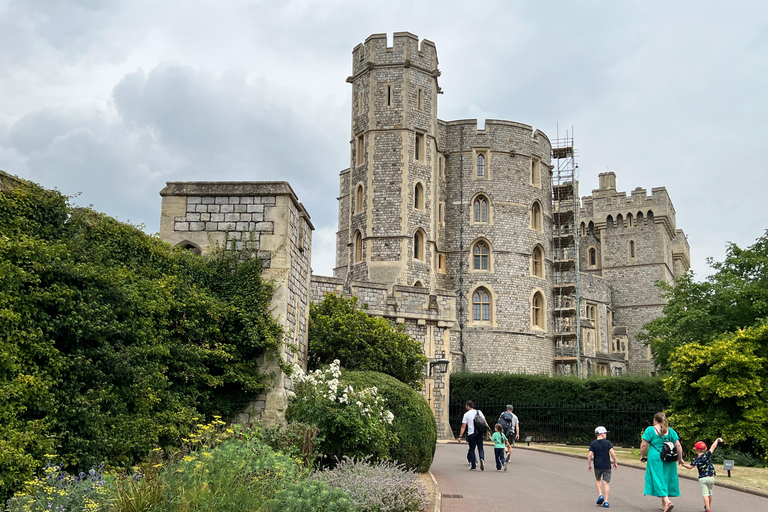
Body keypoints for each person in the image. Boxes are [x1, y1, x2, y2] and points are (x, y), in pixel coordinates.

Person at [640, 412, 684, 512]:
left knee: (657, 478)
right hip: (669, 458)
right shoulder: (670, 431)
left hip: (656, 457)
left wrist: (642, 456)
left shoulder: (650, 430)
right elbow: (678, 445)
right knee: (666, 478)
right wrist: (680, 458)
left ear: (655, 420)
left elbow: (643, 445)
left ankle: (667, 501)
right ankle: (664, 506)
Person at [681, 437, 723, 512]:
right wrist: (717, 440)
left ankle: (707, 509)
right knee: (710, 493)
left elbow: (690, 467)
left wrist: (683, 465)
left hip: (702, 478)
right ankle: (708, 506)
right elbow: (713, 447)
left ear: (696, 449)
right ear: (705, 449)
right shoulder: (707, 454)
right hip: (711, 477)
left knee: (705, 494)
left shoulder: (695, 458)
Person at [588, 426, 618, 508]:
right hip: (607, 465)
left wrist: (589, 464)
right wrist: (615, 462)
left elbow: (590, 454)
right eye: (605, 433)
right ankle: (606, 501)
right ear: (602, 434)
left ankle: (600, 495)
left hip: (597, 465)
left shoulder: (593, 443)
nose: (606, 435)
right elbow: (612, 453)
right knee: (606, 483)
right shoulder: (607, 443)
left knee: (598, 480)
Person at [457, 401, 490, 471]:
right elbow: (484, 422)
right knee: (480, 448)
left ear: (468, 406)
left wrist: (460, 436)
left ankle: (473, 465)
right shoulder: (479, 412)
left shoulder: (466, 414)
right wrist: (488, 431)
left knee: (472, 449)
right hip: (479, 432)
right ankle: (482, 458)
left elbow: (463, 426)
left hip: (471, 433)